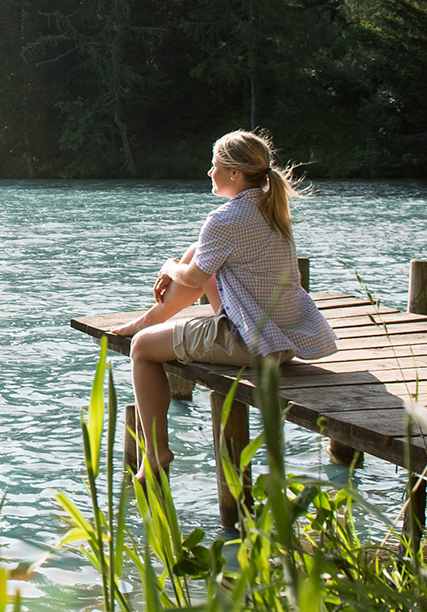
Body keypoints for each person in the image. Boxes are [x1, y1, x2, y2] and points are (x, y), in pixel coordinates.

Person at [109, 130, 337, 476]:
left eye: (214, 165)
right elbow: (204, 266)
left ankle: (155, 454)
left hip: (253, 345)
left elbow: (192, 277)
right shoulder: (272, 209)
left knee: (141, 348)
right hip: (286, 339)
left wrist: (169, 266)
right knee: (201, 261)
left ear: (234, 174)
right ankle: (150, 319)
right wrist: (183, 263)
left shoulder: (225, 219)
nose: (208, 172)